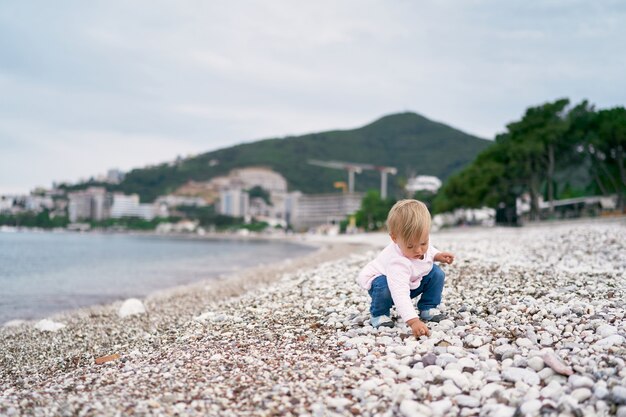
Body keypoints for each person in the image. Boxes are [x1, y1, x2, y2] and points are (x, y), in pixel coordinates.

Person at [357, 199, 454, 338]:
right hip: (385, 285)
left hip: (409, 281)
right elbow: (399, 292)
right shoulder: (397, 262)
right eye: (410, 246)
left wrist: (438, 255)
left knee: (436, 273)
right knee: (383, 285)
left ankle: (428, 306)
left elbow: (429, 251)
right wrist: (413, 321)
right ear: (394, 238)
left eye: (423, 242)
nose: (419, 250)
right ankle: (379, 314)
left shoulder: (419, 244)